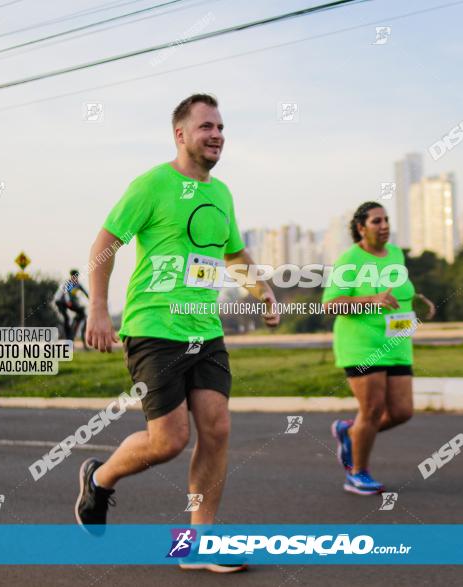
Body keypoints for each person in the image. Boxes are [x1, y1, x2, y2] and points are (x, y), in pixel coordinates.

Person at [78, 94, 279, 573]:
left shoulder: (223, 193)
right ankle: (100, 478)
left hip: (204, 329)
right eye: (206, 126)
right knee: (168, 440)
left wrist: (263, 290)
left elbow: (233, 255)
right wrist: (99, 308)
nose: (217, 135)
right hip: (154, 328)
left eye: (221, 127)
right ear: (181, 134)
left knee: (217, 428)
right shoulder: (152, 184)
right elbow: (106, 243)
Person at [322, 202, 435, 495]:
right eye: (376, 221)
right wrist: (371, 299)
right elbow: (330, 304)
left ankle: (350, 431)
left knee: (401, 411)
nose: (384, 225)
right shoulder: (350, 260)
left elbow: (397, 289)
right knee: (371, 410)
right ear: (361, 228)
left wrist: (417, 298)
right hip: (362, 345)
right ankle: (356, 474)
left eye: (386, 220)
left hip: (397, 343)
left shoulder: (396, 253)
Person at [55, 269, 89, 339]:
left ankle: (74, 324)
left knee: (81, 312)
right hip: (60, 301)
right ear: (71, 277)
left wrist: (92, 300)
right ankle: (67, 335)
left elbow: (85, 292)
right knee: (66, 318)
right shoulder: (68, 283)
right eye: (73, 277)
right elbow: (66, 292)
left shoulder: (77, 284)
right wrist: (68, 301)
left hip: (67, 302)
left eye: (76, 277)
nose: (75, 279)